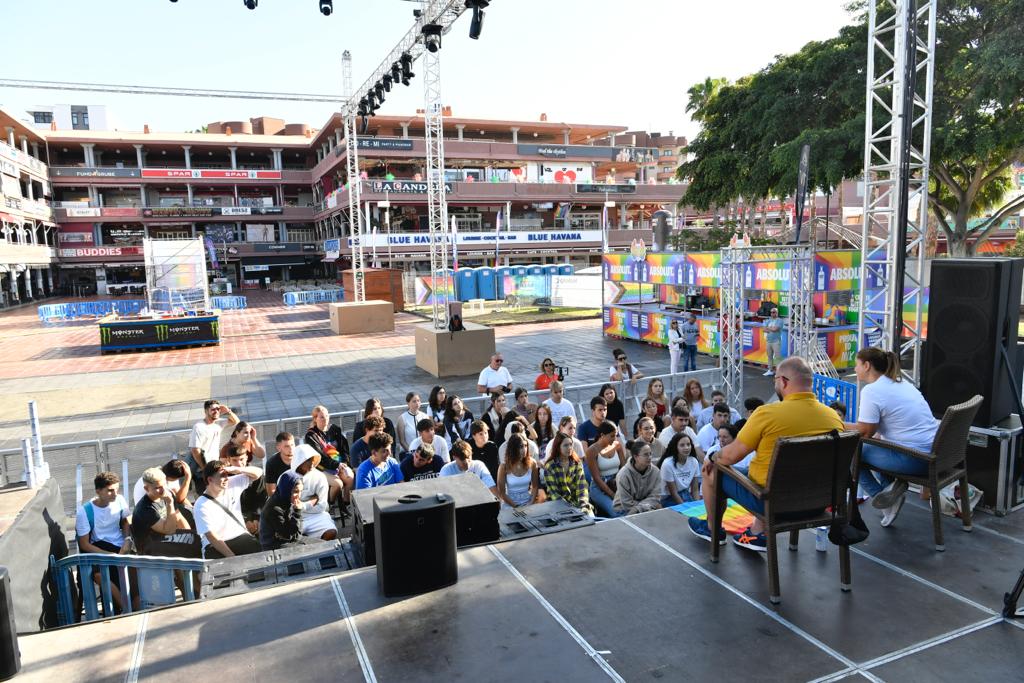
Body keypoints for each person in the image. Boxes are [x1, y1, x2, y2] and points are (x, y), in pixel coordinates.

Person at [688, 357, 844, 551]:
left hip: (772, 503)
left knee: (712, 471)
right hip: (819, 503)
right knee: (771, 473)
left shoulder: (767, 414)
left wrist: (712, 457)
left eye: (775, 379)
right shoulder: (833, 417)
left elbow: (729, 457)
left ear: (784, 381)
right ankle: (756, 533)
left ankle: (712, 530)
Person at [846, 347, 939, 527]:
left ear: (866, 365)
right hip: (933, 455)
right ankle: (890, 492)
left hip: (915, 459)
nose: (855, 369)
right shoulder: (903, 384)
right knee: (877, 444)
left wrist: (835, 423)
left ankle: (883, 500)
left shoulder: (872, 391)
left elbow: (865, 432)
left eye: (856, 365)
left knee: (851, 453)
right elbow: (876, 431)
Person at [76, 471, 133, 612]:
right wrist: (109, 554)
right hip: (100, 548)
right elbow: (84, 544)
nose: (114, 494)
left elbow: (126, 521)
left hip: (121, 546)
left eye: (116, 490)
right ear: (98, 491)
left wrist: (127, 539)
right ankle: (127, 608)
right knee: (100, 575)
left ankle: (131, 605)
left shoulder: (119, 500)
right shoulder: (85, 511)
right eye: (110, 491)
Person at [194, 460, 263, 559]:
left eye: (227, 474)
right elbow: (211, 536)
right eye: (222, 475)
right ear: (210, 480)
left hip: (239, 536)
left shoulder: (232, 483)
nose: (226, 478)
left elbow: (258, 472)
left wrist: (237, 469)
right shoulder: (201, 504)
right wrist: (231, 557)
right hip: (215, 544)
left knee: (257, 551)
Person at [131, 467, 200, 558]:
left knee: (198, 540)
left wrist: (190, 535)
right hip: (149, 548)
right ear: (146, 488)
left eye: (164, 485)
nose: (163, 490)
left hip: (163, 538)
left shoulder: (168, 493)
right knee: (190, 548)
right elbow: (169, 530)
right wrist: (169, 503)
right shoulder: (144, 509)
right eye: (158, 487)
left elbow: (179, 517)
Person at [187, 399, 238, 494]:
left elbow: (236, 421)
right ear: (206, 411)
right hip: (201, 469)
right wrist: (204, 468)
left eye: (218, 409)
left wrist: (228, 411)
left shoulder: (218, 423)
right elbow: (195, 450)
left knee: (216, 492)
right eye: (213, 409)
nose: (216, 411)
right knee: (205, 494)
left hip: (214, 466)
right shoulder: (199, 427)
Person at [290, 444, 337, 540]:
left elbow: (322, 506)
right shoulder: (286, 477)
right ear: (299, 461)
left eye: (313, 459)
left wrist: (302, 506)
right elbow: (284, 504)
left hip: (316, 516)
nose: (312, 463)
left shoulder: (319, 477)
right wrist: (313, 500)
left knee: (331, 532)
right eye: (308, 460)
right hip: (293, 517)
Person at [542, 432, 592, 515]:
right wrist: (571, 509)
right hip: (558, 506)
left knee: (590, 517)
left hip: (578, 504)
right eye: (565, 445)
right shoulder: (550, 466)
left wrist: (583, 505)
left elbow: (582, 487)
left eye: (571, 444)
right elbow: (554, 493)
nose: (569, 448)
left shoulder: (577, 463)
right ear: (558, 447)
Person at [585, 420, 627, 517]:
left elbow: (624, 468)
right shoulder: (592, 450)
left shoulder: (617, 445)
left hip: (617, 483)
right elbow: (597, 478)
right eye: (612, 436)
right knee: (617, 513)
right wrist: (613, 495)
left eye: (616, 435)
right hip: (600, 488)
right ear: (602, 435)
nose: (614, 438)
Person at [223, 445, 267, 535]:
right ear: (228, 460)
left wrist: (256, 518)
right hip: (235, 517)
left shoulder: (255, 473)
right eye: (235, 460)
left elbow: (261, 498)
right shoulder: (224, 478)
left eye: (242, 459)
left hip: (257, 516)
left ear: (246, 457)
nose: (239, 464)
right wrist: (246, 519)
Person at [613, 440, 663, 516]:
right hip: (623, 509)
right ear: (635, 457)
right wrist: (647, 506)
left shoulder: (656, 471)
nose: (649, 457)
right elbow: (626, 503)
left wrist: (639, 508)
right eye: (646, 455)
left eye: (650, 454)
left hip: (646, 507)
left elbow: (656, 496)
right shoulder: (623, 474)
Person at [259, 470, 304, 551]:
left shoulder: (285, 500)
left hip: (287, 540)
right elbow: (290, 535)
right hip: (273, 546)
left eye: (301, 491)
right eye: (296, 491)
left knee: (322, 546)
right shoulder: (275, 508)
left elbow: (295, 533)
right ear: (287, 489)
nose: (299, 495)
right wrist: (297, 512)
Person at [497, 434, 541, 509]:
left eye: (525, 445)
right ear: (513, 448)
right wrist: (517, 507)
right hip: (510, 504)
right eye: (521, 446)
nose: (524, 449)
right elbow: (502, 493)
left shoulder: (532, 463)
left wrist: (530, 503)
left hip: (528, 502)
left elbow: (535, 487)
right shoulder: (503, 467)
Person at [660, 432, 699, 506]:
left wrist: (697, 505)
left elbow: (695, 490)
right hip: (669, 498)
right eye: (682, 445)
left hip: (685, 494)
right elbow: (673, 493)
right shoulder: (667, 464)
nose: (686, 447)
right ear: (675, 447)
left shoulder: (694, 461)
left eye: (688, 444)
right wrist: (685, 509)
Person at [264, 432, 295, 497]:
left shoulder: (302, 458)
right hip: (282, 497)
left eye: (292, 445)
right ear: (278, 447)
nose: (291, 449)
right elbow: (271, 492)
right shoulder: (272, 463)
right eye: (287, 446)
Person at [764, 307, 784, 376]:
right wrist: (771, 328)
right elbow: (764, 329)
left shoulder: (780, 321)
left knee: (777, 357)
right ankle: (770, 370)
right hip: (768, 341)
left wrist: (768, 328)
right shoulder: (768, 320)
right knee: (769, 356)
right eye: (771, 312)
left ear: (777, 313)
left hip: (776, 341)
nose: (772, 313)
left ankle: (779, 372)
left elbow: (775, 329)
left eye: (774, 312)